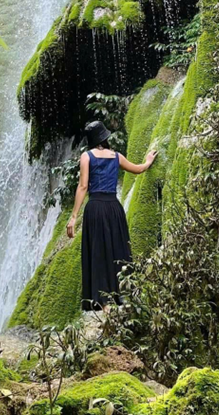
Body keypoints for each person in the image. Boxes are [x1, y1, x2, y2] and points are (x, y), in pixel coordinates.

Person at [67, 120, 157, 310]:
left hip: (95, 208)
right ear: (105, 137)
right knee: (118, 248)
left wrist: (74, 216)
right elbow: (139, 169)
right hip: (114, 207)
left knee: (98, 251)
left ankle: (102, 299)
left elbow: (83, 186)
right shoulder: (117, 156)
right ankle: (123, 294)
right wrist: (149, 160)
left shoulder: (87, 156)